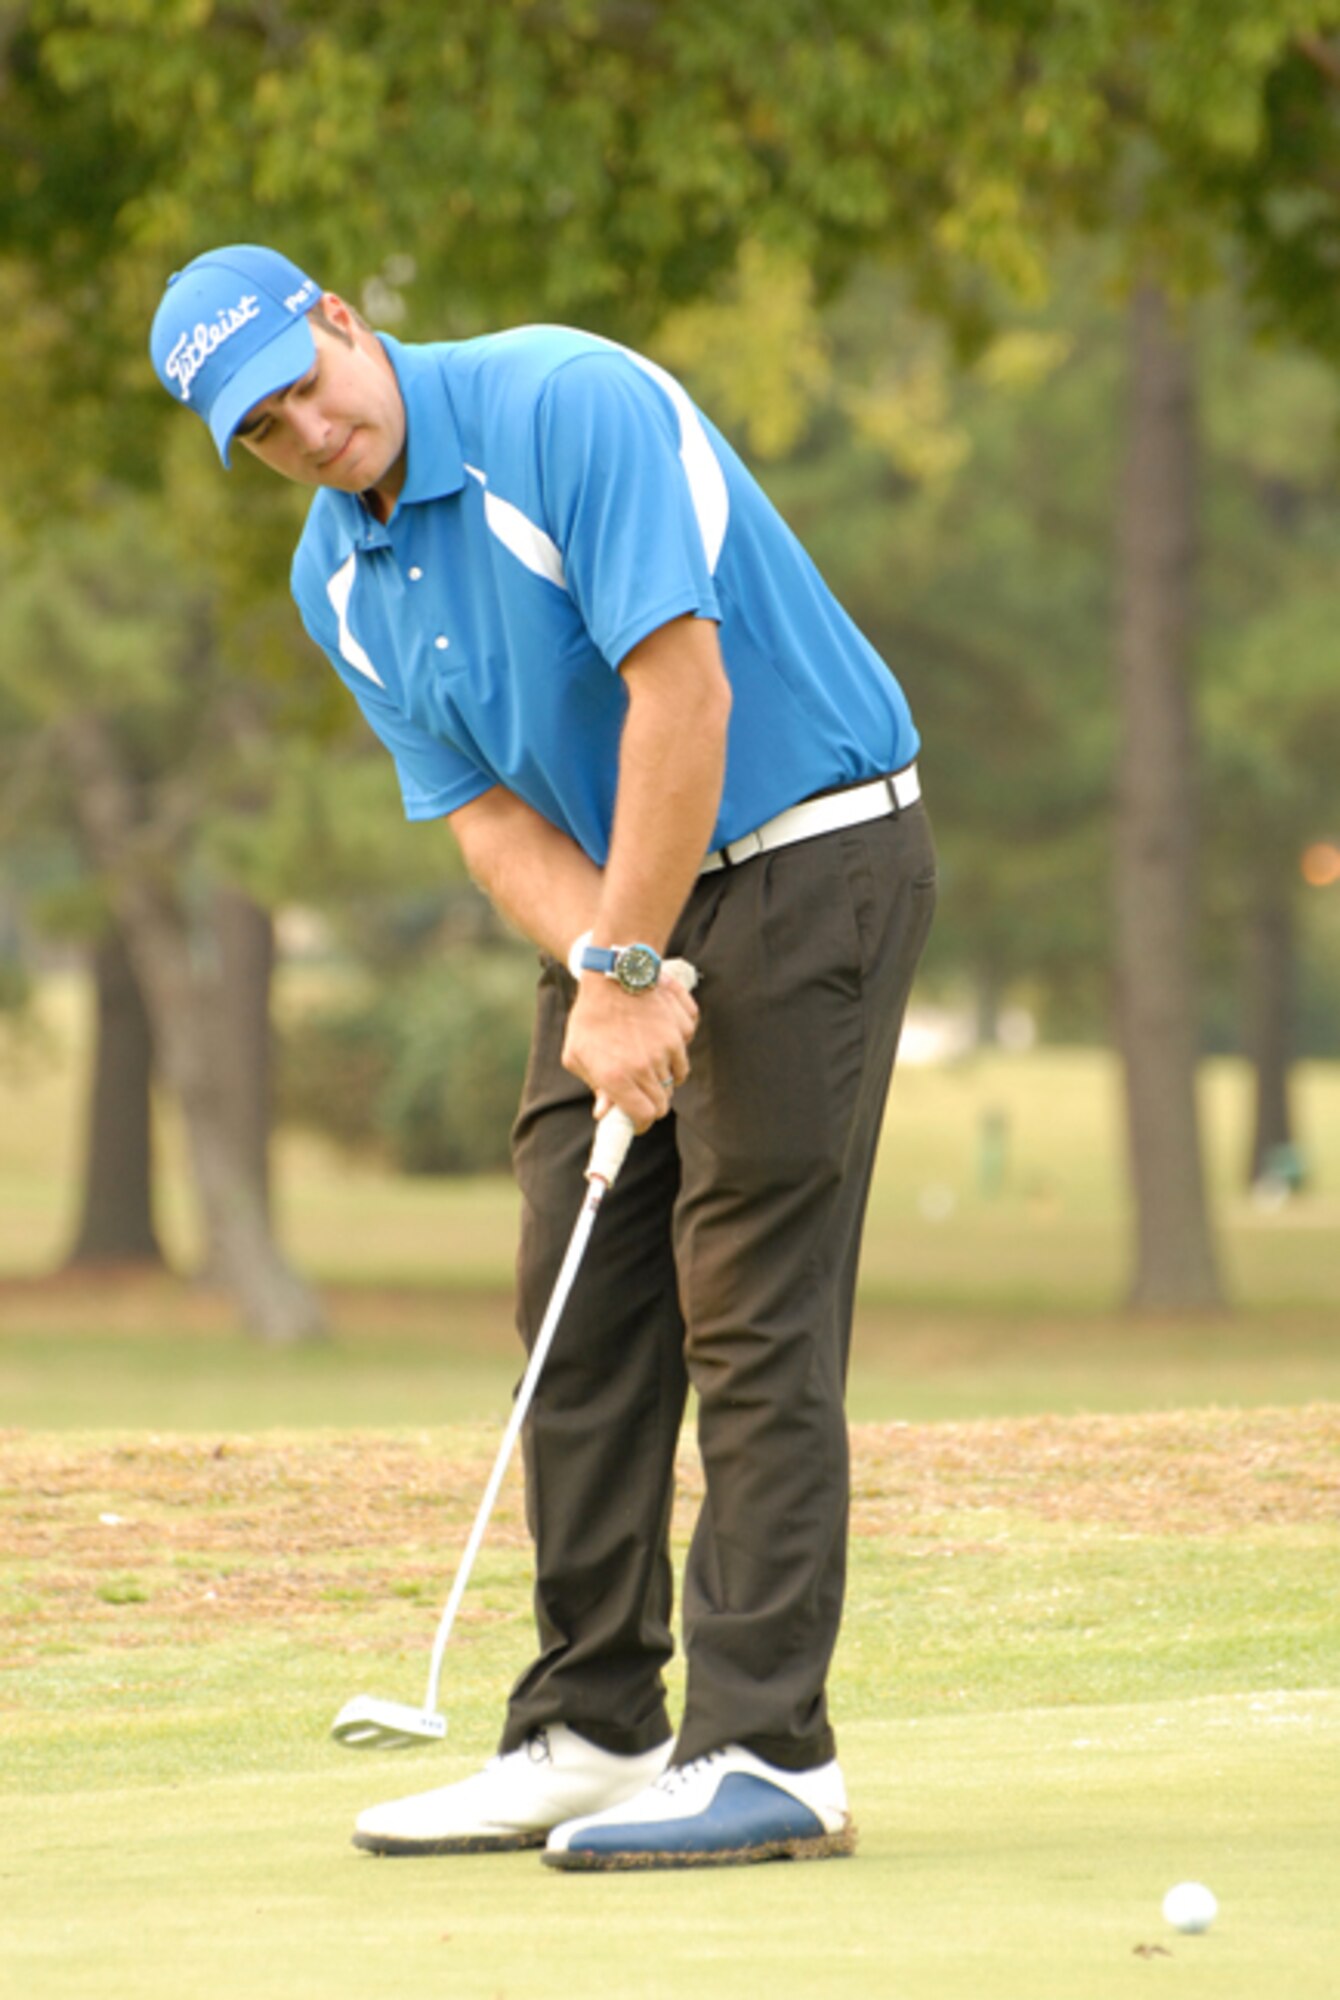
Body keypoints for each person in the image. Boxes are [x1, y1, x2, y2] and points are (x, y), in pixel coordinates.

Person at [150, 244, 937, 1870]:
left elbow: (683, 696)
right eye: (262, 430)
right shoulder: (335, 579)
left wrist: (639, 968)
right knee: (574, 1304)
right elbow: (486, 814)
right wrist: (612, 975)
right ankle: (592, 1727)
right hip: (622, 896)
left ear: (345, 321)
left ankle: (772, 1753)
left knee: (750, 1294)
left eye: (303, 382)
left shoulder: (566, 404)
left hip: (807, 854)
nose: (304, 429)